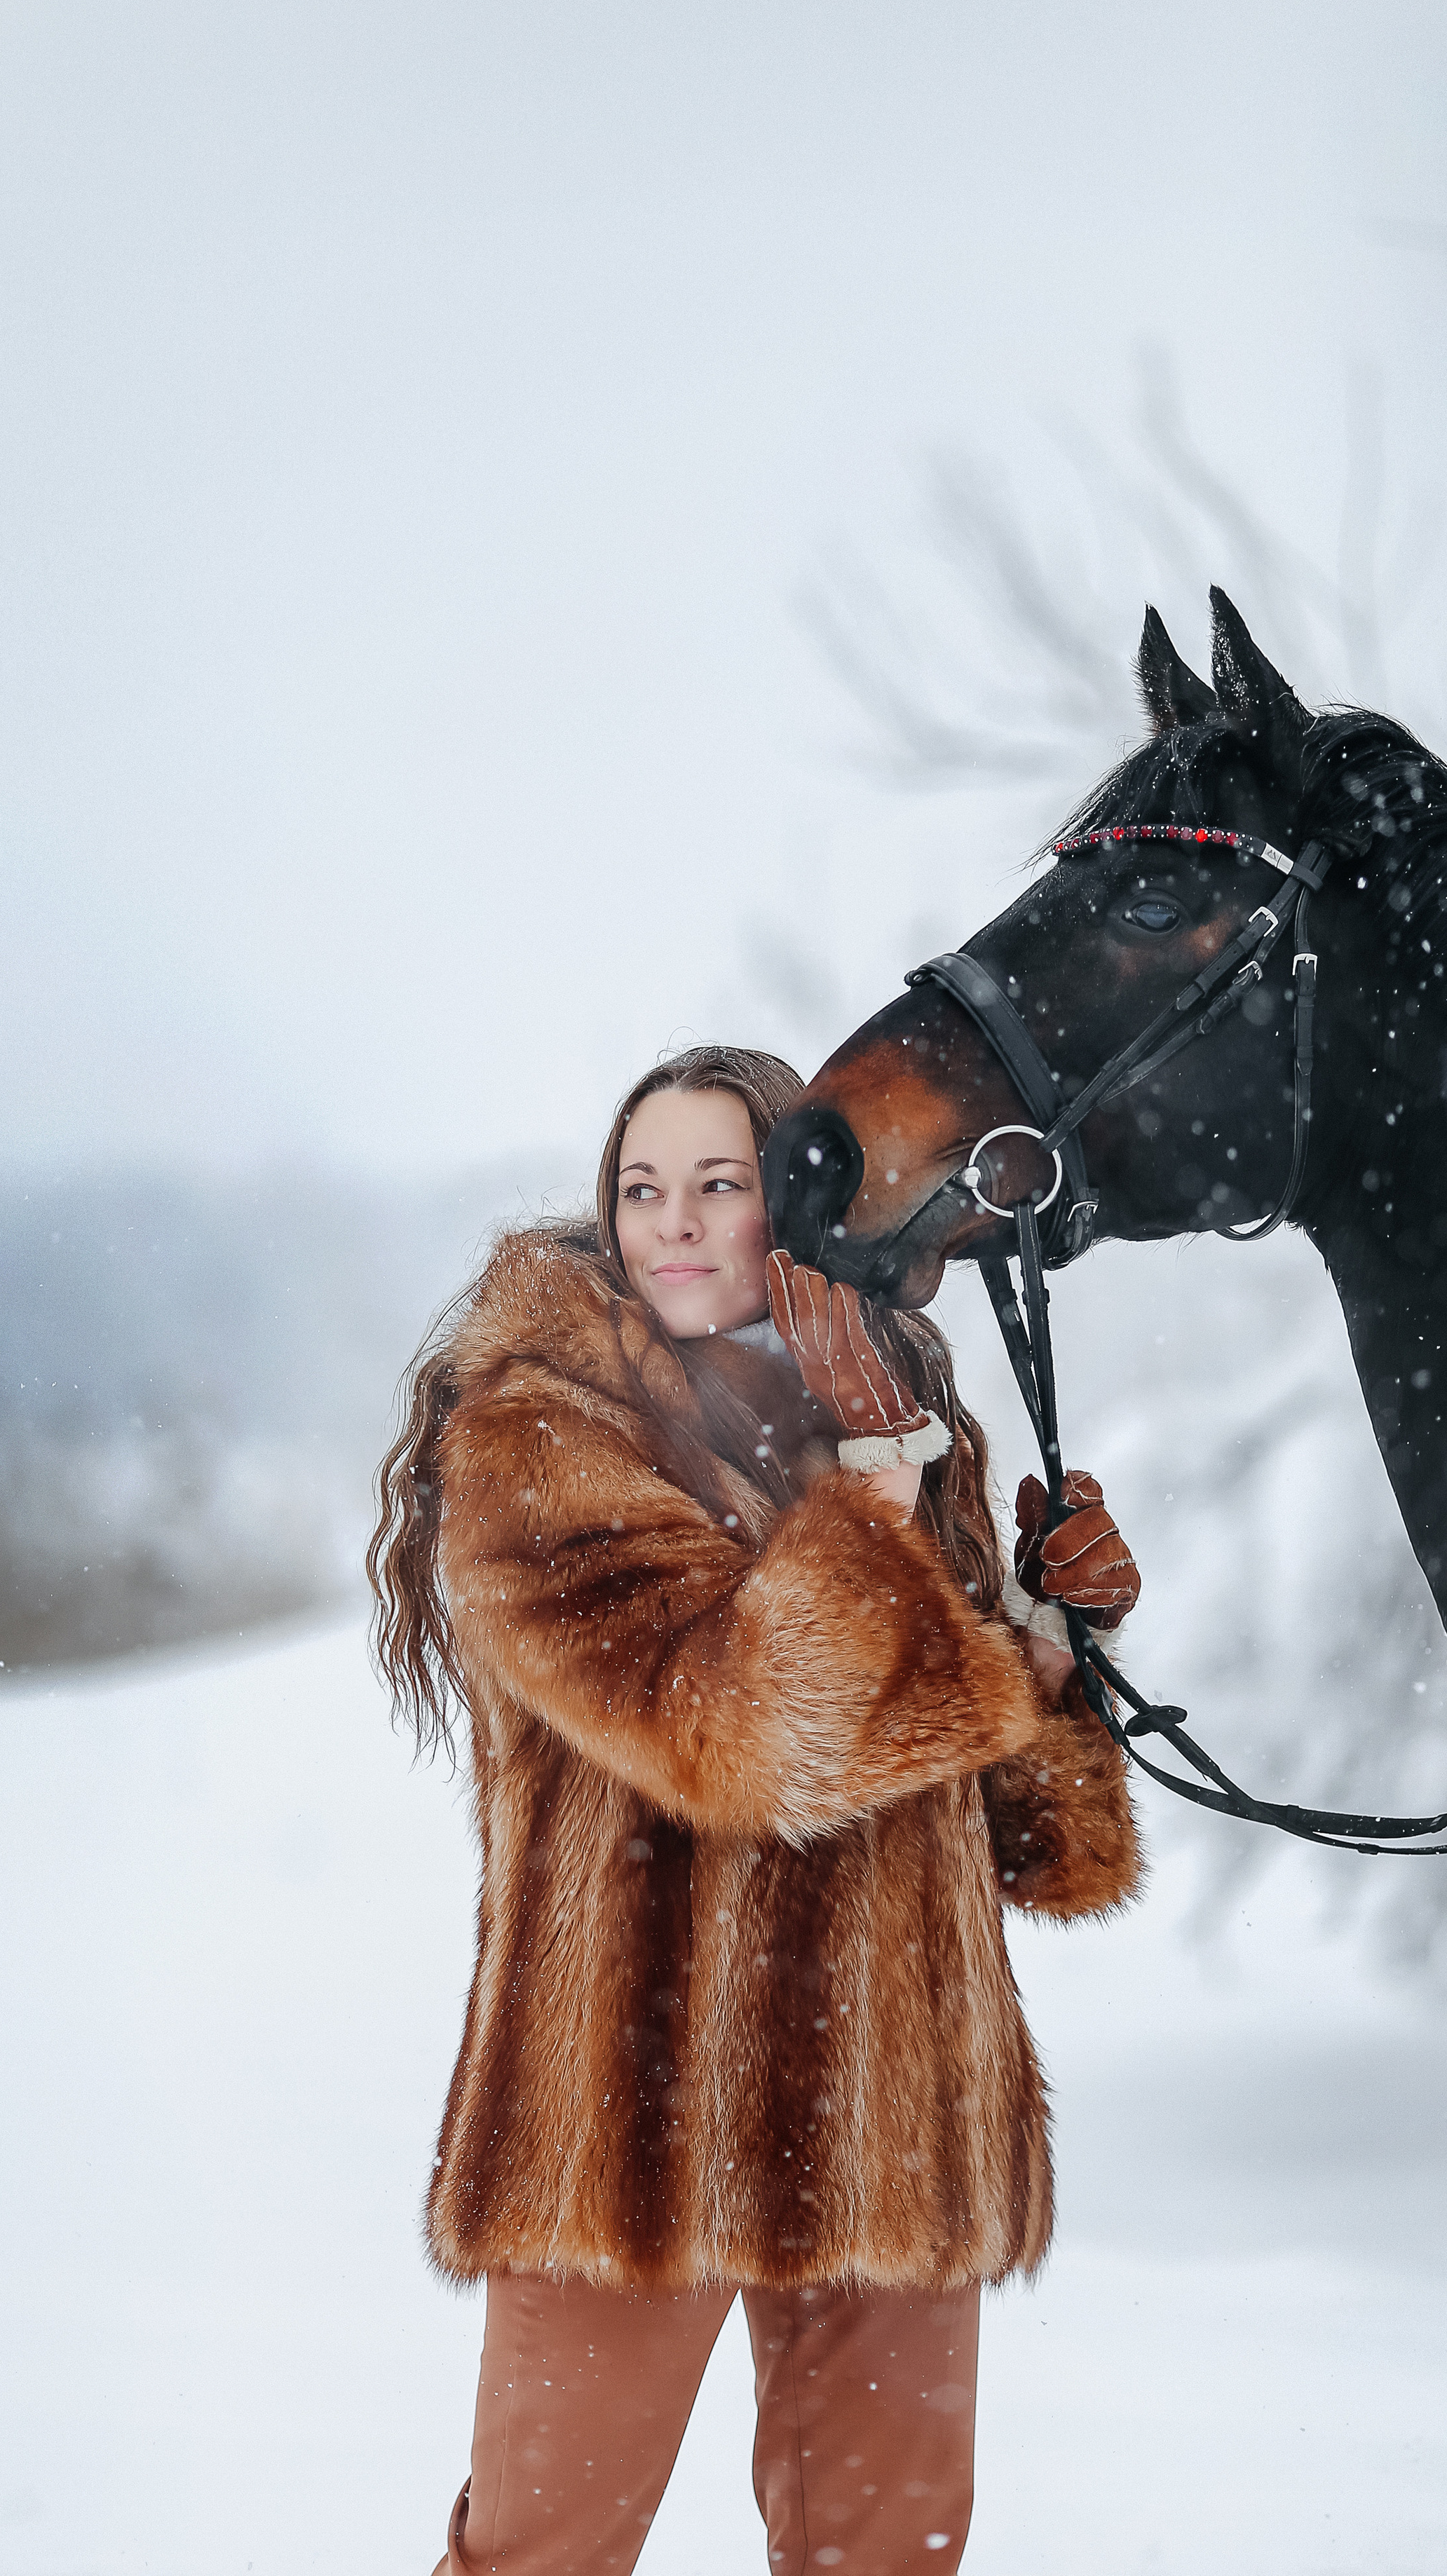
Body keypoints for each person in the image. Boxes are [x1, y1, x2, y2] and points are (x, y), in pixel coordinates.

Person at [369, 1044, 1142, 2576]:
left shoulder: (895, 1424)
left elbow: (1017, 1842)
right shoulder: (538, 1438)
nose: (670, 1224)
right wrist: (868, 1499)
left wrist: (1058, 1661)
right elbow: (736, 1739)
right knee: (543, 2555)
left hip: (893, 2117)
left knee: (886, 2560)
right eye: (639, 1188)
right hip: (630, 2123)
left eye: (717, 1186)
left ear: (793, 1210)